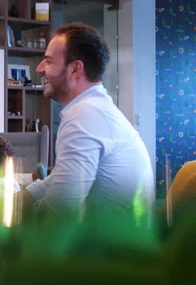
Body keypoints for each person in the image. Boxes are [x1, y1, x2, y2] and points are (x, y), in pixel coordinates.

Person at [20, 23, 154, 218]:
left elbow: (58, 213)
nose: (40, 68)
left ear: (75, 69)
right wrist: (13, 203)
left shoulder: (85, 115)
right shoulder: (94, 109)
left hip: (110, 245)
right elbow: (58, 179)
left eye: (48, 61)